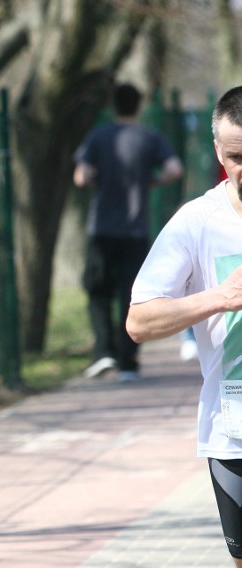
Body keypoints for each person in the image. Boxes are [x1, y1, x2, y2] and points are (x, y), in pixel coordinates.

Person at [126, 85, 242, 567]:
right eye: (237, 156)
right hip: (235, 429)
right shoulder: (197, 222)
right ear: (218, 150)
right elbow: (139, 320)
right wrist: (220, 297)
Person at [74, 82, 184, 382]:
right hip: (136, 230)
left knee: (98, 290)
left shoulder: (98, 137)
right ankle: (128, 364)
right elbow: (174, 169)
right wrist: (152, 182)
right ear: (138, 105)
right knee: (131, 294)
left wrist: (98, 175)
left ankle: (103, 352)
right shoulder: (150, 137)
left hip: (102, 228)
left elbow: (81, 177)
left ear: (113, 105)